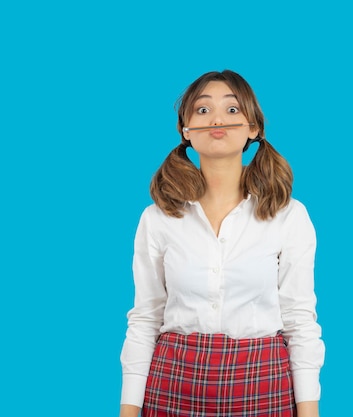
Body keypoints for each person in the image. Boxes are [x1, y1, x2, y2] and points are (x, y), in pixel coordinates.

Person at [119, 70, 325, 417]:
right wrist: (128, 410)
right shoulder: (158, 218)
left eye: (232, 110)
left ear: (253, 128)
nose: (217, 119)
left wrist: (309, 411)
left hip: (263, 383)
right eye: (202, 110)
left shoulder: (289, 215)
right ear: (186, 130)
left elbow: (299, 319)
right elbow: (145, 318)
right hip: (173, 384)